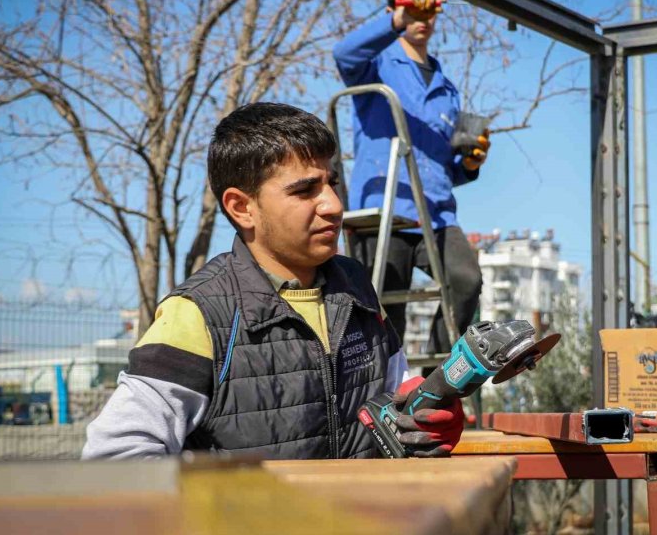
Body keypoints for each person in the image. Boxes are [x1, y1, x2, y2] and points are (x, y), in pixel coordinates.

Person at [83, 103, 463, 459]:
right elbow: (116, 457)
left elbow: (397, 406)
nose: (333, 205)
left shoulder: (357, 288)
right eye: (304, 190)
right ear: (241, 207)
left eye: (331, 183)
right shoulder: (198, 313)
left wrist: (425, 421)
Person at [332, 0, 488, 354]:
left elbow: (442, 166)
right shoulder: (375, 63)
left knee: (466, 280)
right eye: (411, 10)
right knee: (387, 311)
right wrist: (397, 21)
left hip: (435, 214)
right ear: (393, 11)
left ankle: (438, 383)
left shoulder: (446, 88)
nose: (422, 18)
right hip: (386, 209)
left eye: (428, 9)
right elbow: (343, 54)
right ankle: (389, 397)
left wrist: (469, 163)